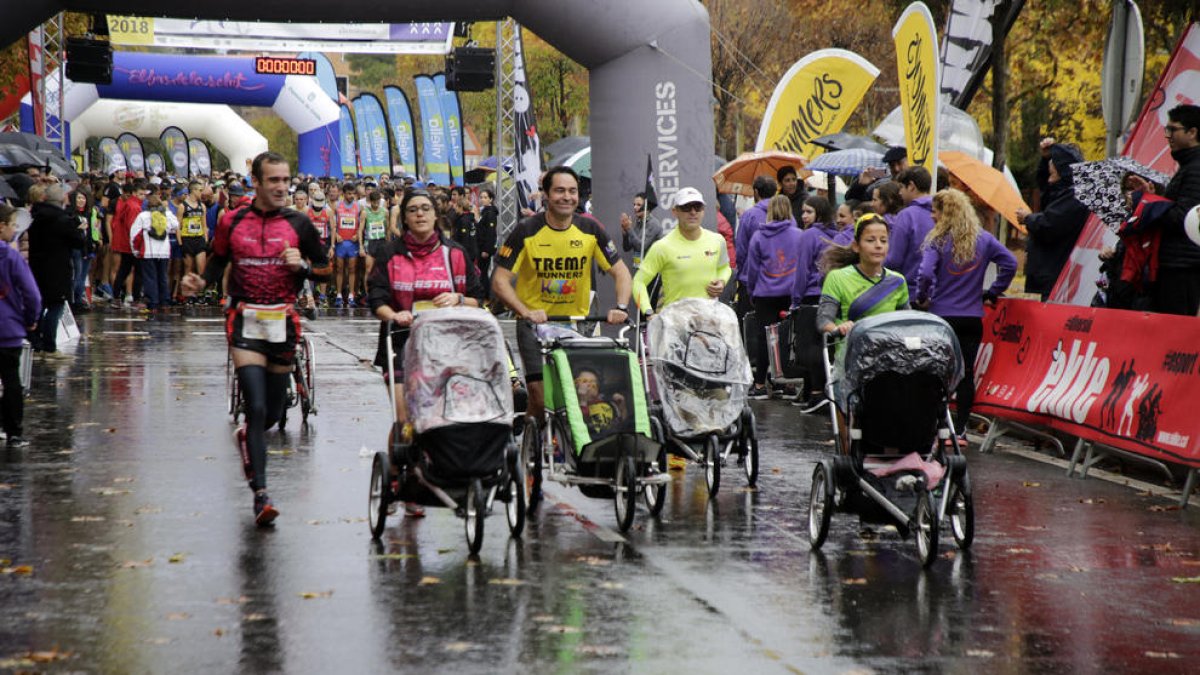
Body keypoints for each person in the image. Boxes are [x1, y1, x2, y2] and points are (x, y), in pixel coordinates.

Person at [181, 151, 332, 526]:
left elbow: (327, 269)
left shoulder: (299, 223)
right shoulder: (233, 222)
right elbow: (217, 262)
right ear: (257, 182)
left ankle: (248, 437)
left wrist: (305, 268)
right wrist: (201, 281)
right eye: (274, 181)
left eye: (286, 180)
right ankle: (261, 495)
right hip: (245, 319)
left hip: (283, 320)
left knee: (274, 414)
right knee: (256, 404)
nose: (282, 187)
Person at [368, 188, 485, 517]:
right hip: (401, 341)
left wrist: (459, 299)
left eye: (425, 209)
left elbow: (479, 296)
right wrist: (394, 315)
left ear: (436, 215)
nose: (420, 214)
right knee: (406, 419)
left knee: (441, 417)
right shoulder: (389, 253)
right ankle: (395, 477)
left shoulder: (455, 253)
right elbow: (375, 297)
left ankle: (431, 474)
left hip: (447, 346)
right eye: (413, 210)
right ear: (404, 218)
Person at [492, 166, 631, 425]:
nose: (566, 197)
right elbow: (500, 282)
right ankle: (532, 448)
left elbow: (621, 273)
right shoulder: (526, 230)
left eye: (572, 191)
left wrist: (621, 306)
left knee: (580, 394)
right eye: (559, 191)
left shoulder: (590, 228)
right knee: (541, 397)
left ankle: (569, 449)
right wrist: (525, 312)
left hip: (576, 323)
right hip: (534, 324)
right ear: (545, 194)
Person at [916, 189, 1017, 444]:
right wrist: (993, 291)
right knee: (966, 374)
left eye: (935, 211)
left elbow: (926, 273)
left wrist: (922, 296)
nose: (932, 216)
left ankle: (938, 426)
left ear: (945, 213)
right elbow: (1010, 263)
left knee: (937, 373)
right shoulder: (983, 239)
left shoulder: (937, 240)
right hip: (972, 317)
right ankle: (960, 430)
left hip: (941, 318)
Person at [818, 214, 910, 453]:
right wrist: (838, 328)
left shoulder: (897, 281)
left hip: (889, 362)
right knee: (851, 428)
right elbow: (823, 320)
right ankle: (849, 463)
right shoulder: (838, 278)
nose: (879, 245)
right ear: (857, 246)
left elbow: (907, 321)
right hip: (850, 362)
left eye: (883, 240)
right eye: (871, 240)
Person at [1128, 104, 1200, 315]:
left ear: (1192, 132)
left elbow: (1185, 219)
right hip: (1176, 263)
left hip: (1182, 267)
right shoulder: (1188, 166)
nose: (1167, 136)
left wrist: (1146, 202)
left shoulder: (1195, 169)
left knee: (1176, 336)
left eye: (1173, 129)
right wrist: (1152, 196)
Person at [631, 186, 730, 314]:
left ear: (703, 210)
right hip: (675, 324)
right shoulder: (662, 247)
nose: (693, 212)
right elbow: (638, 282)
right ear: (674, 211)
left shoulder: (717, 240)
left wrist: (722, 281)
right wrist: (648, 311)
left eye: (697, 207)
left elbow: (724, 267)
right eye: (686, 207)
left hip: (708, 322)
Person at [744, 194, 803, 399]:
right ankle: (787, 385)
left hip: (765, 294)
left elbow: (752, 270)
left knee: (764, 340)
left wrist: (752, 291)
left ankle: (760, 385)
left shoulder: (759, 237)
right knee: (788, 340)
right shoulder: (799, 235)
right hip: (790, 294)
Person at [1014, 140, 1089, 300]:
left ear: (1063, 170)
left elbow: (1050, 224)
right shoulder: (1065, 191)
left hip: (1058, 272)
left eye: (1053, 168)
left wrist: (1028, 218)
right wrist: (1046, 156)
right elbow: (1046, 188)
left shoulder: (1074, 197)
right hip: (1053, 271)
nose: (1049, 175)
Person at [27, 184, 86, 358]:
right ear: (62, 199)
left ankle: (36, 343)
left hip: (37, 266)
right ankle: (49, 346)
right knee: (56, 306)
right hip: (57, 268)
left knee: (41, 304)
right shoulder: (62, 220)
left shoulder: (36, 216)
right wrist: (80, 231)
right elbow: (77, 242)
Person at [0, 205, 39, 447]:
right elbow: (31, 293)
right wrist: (31, 318)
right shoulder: (11, 256)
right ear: (1, 226)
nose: (15, 230)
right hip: (8, 327)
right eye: (13, 225)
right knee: (11, 379)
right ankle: (14, 432)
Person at [885, 166, 935, 298]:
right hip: (937, 294)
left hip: (908, 293)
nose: (900, 193)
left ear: (911, 186)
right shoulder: (943, 214)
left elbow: (894, 259)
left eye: (901, 187)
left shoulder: (906, 215)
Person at [129, 194, 179, 317]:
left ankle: (153, 302)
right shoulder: (167, 214)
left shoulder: (143, 216)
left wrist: (135, 250)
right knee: (163, 276)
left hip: (148, 252)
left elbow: (134, 234)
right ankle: (165, 301)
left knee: (150, 277)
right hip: (164, 251)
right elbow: (176, 225)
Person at [176, 181, 208, 304]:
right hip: (187, 239)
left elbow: (204, 225)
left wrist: (205, 240)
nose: (202, 193)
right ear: (193, 190)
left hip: (198, 238)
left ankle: (201, 294)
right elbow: (178, 225)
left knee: (201, 267)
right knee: (188, 267)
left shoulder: (202, 206)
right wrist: (180, 242)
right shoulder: (183, 206)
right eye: (200, 190)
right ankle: (187, 294)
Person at [332, 182, 362, 308]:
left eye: (353, 193)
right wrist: (336, 235)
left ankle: (351, 295)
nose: (351, 196)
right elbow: (332, 224)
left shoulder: (358, 206)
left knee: (352, 269)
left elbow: (362, 224)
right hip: (340, 242)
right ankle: (338, 295)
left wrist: (357, 235)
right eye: (349, 193)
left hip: (352, 242)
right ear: (343, 194)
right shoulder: (337, 205)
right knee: (339, 268)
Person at [620, 192, 664, 271]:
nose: (635, 207)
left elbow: (641, 247)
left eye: (638, 205)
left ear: (647, 207)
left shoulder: (654, 224)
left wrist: (629, 228)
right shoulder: (638, 222)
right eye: (634, 204)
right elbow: (626, 248)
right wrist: (625, 235)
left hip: (653, 271)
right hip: (640, 270)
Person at [359, 189, 391, 283]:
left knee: (382, 270)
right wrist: (361, 247)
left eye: (378, 202)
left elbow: (388, 228)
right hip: (370, 242)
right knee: (368, 270)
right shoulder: (365, 212)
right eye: (374, 202)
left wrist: (388, 243)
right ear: (371, 201)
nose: (376, 205)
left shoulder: (385, 212)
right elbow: (360, 229)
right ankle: (368, 296)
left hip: (381, 241)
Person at [475, 188, 499, 282]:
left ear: (491, 199)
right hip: (480, 246)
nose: (482, 199)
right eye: (481, 197)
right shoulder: (484, 211)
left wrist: (486, 250)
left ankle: (486, 293)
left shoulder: (490, 213)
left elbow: (490, 232)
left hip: (485, 249)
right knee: (481, 272)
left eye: (485, 197)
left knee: (483, 273)